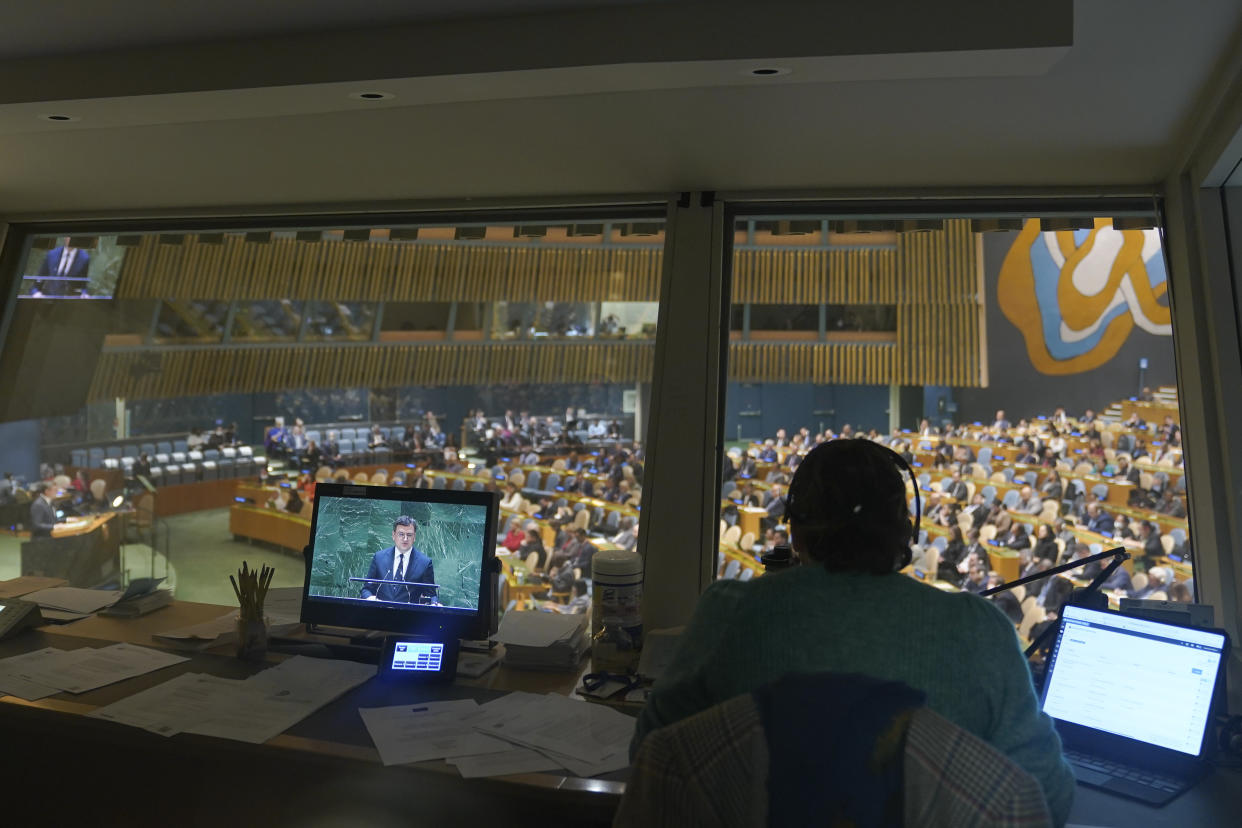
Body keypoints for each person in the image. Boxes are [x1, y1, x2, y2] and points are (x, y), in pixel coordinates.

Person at [631, 439, 1074, 825]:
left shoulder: (728, 612)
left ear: (796, 531)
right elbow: (1046, 800)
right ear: (906, 528)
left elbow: (652, 760)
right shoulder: (981, 630)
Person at [360, 516, 437, 604]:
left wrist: (435, 603)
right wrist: (370, 598)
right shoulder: (379, 558)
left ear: (414, 537)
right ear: (393, 535)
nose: (405, 539)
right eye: (401, 534)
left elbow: (431, 595)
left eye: (409, 535)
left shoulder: (425, 563)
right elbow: (366, 589)